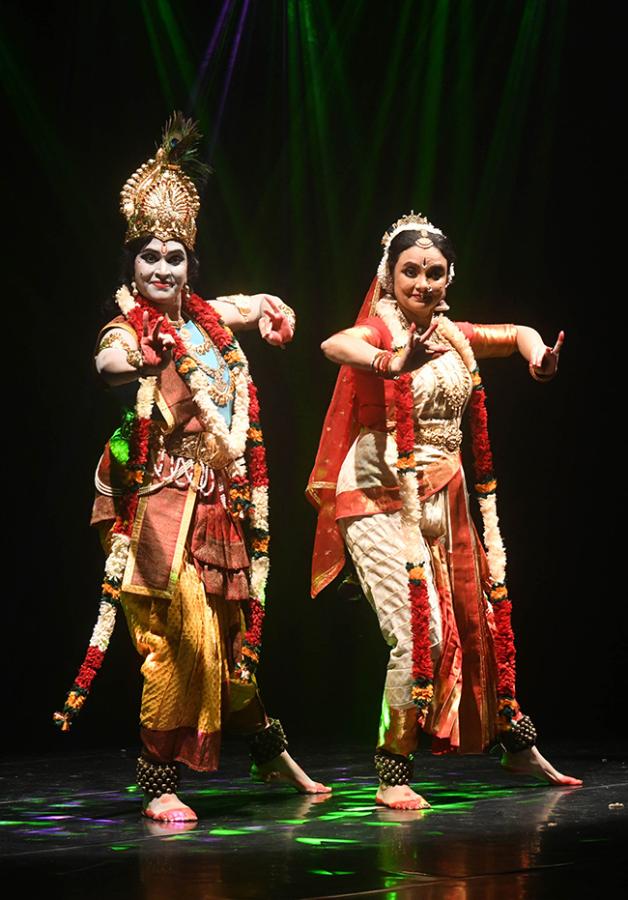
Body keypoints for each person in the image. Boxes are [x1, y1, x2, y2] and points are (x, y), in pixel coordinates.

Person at [55, 114, 329, 822]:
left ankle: (268, 751)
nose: (161, 269)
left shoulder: (206, 323)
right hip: (155, 506)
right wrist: (137, 359)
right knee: (185, 636)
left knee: (227, 638)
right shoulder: (135, 327)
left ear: (189, 266)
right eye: (148, 257)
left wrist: (270, 304)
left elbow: (239, 307)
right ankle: (158, 780)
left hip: (217, 507)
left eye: (174, 257)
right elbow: (106, 362)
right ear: (131, 267)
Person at [307, 213, 581, 810]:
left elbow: (516, 332)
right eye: (411, 271)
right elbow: (336, 344)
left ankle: (511, 742)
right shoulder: (382, 329)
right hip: (378, 494)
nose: (423, 283)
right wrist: (390, 363)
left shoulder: (453, 334)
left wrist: (537, 356)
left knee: (480, 623)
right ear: (390, 275)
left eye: (434, 272)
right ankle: (392, 770)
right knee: (418, 634)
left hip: (444, 494)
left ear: (449, 277)